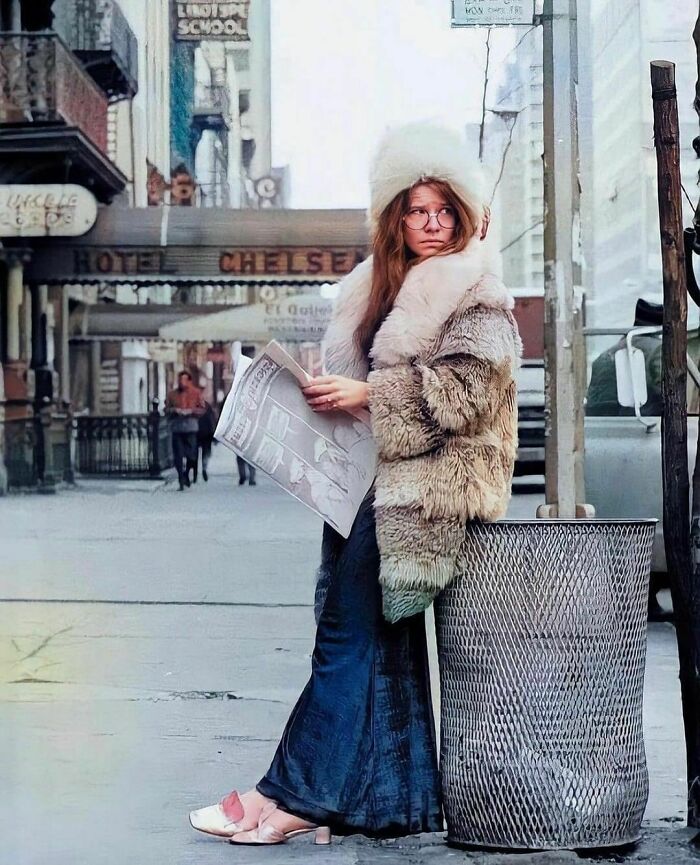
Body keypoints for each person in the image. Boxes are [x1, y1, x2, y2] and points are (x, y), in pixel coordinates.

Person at [188, 123, 521, 846]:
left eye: (444, 210)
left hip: (429, 490)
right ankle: (388, 804)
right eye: (418, 210)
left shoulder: (477, 291)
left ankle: (290, 796)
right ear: (396, 216)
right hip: (366, 483)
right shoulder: (372, 289)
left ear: (462, 215)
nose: (432, 224)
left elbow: (466, 393)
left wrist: (368, 393)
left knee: (343, 634)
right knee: (380, 648)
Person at [166, 371, 204, 491]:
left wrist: (191, 411)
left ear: (189, 381)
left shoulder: (196, 393)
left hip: (191, 428)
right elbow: (166, 409)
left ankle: (187, 473)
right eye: (180, 380)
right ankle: (181, 478)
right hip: (177, 428)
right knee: (178, 455)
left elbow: (202, 409)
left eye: (184, 380)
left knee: (191, 455)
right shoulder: (172, 394)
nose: (182, 383)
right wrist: (174, 410)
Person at [197, 392, 217, 482]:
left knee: (196, 453)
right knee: (206, 453)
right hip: (207, 433)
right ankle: (204, 468)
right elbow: (212, 421)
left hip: (197, 432)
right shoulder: (208, 406)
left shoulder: (194, 406)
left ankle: (197, 470)